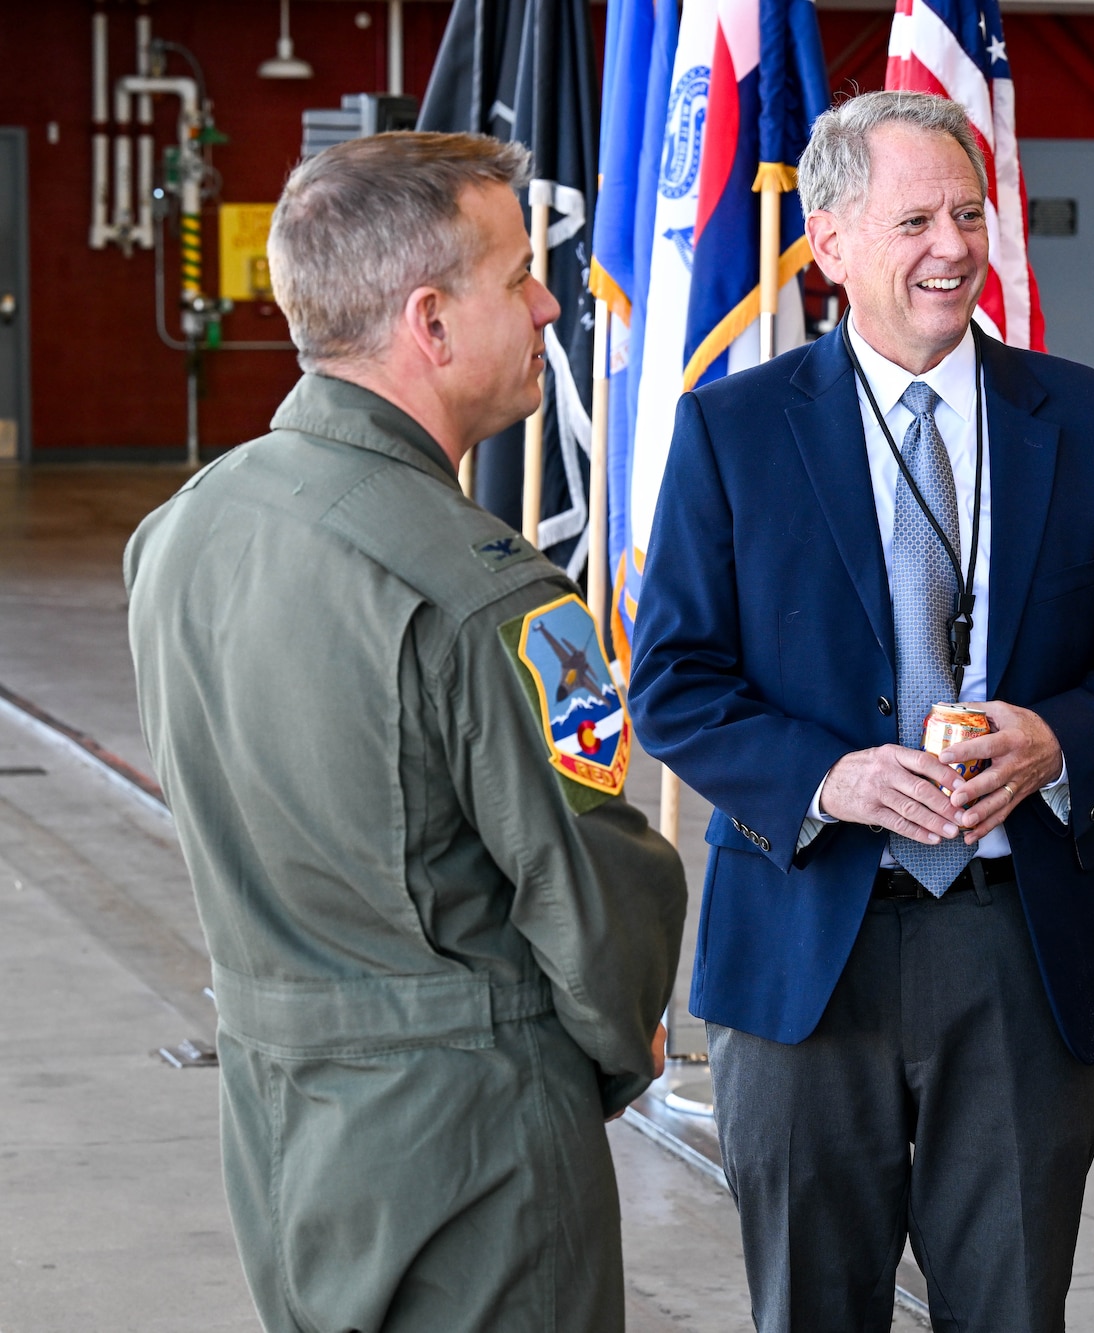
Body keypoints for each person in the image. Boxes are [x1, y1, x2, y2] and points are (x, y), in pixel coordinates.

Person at [627, 90, 1094, 1332]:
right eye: (914, 222)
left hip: (1016, 944)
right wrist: (827, 778)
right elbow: (672, 680)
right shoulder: (731, 431)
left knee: (1009, 1309)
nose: (953, 246)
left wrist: (1059, 740)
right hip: (805, 945)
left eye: (968, 213)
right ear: (830, 243)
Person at [125, 132, 686, 1333]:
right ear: (429, 321)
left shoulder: (181, 532)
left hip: (283, 1137)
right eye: (519, 276)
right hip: (479, 1155)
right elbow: (593, 894)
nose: (548, 304)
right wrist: (599, 1050)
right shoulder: (491, 594)